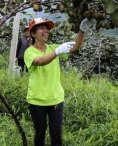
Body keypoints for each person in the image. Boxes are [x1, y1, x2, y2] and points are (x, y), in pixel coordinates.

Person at [24, 17, 95, 146]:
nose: (46, 31)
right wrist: (57, 52)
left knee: (56, 135)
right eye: (42, 28)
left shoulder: (53, 48)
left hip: (56, 99)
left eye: (47, 28)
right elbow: (40, 61)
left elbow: (76, 47)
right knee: (39, 133)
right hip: (36, 100)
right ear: (33, 33)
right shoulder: (29, 52)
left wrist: (82, 30)